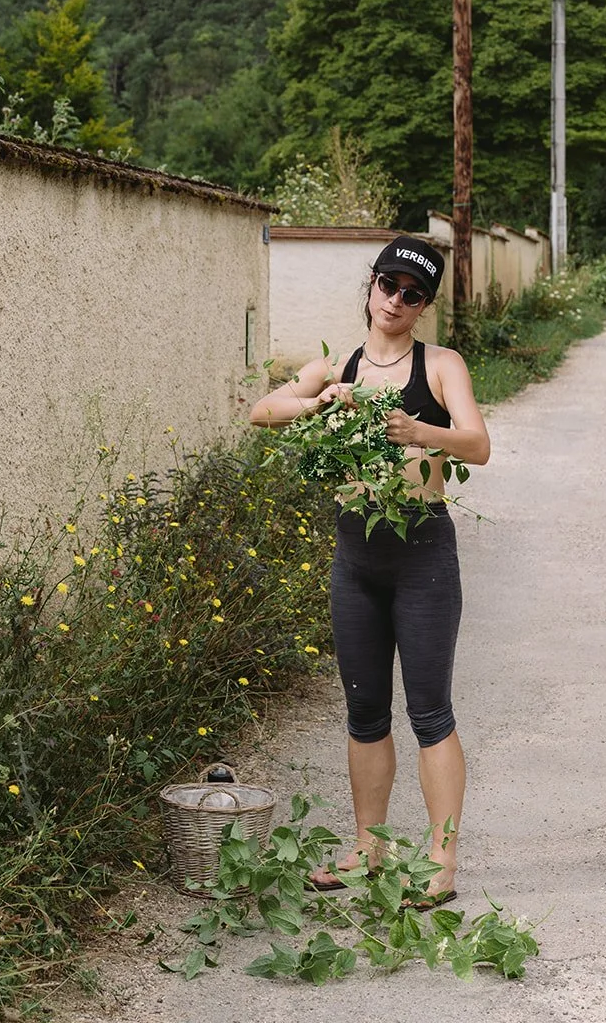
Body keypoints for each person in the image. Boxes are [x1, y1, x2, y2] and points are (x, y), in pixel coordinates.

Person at [250, 235, 490, 905]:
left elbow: (478, 444)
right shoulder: (335, 367)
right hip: (354, 559)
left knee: (430, 712)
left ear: (423, 306)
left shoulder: (441, 366)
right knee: (363, 711)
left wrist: (422, 434)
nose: (395, 301)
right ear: (371, 287)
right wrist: (317, 402)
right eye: (388, 285)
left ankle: (440, 864)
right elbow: (263, 411)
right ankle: (368, 848)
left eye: (412, 294)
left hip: (421, 557)